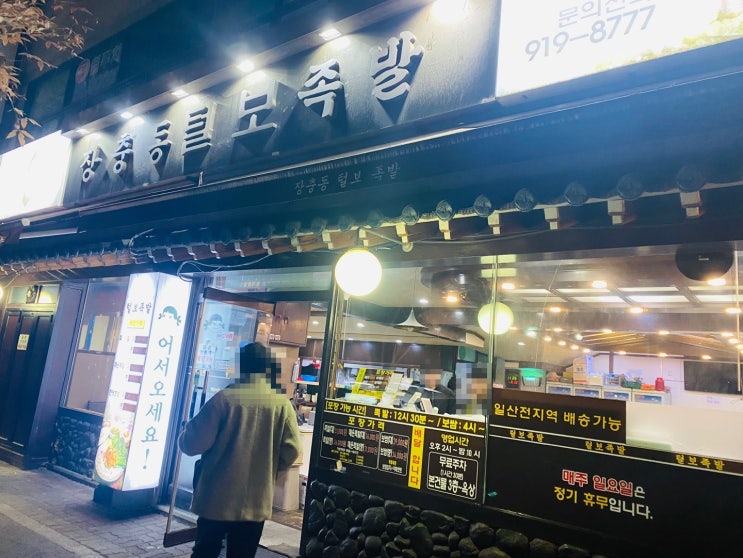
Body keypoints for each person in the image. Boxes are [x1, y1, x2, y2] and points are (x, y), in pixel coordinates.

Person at [179, 342, 302, 558]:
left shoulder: (223, 399)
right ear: (267, 368)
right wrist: (271, 468)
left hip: (216, 499)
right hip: (256, 500)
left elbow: (192, 444)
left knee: (205, 552)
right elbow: (292, 450)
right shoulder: (282, 405)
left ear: (241, 367)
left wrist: (185, 430)